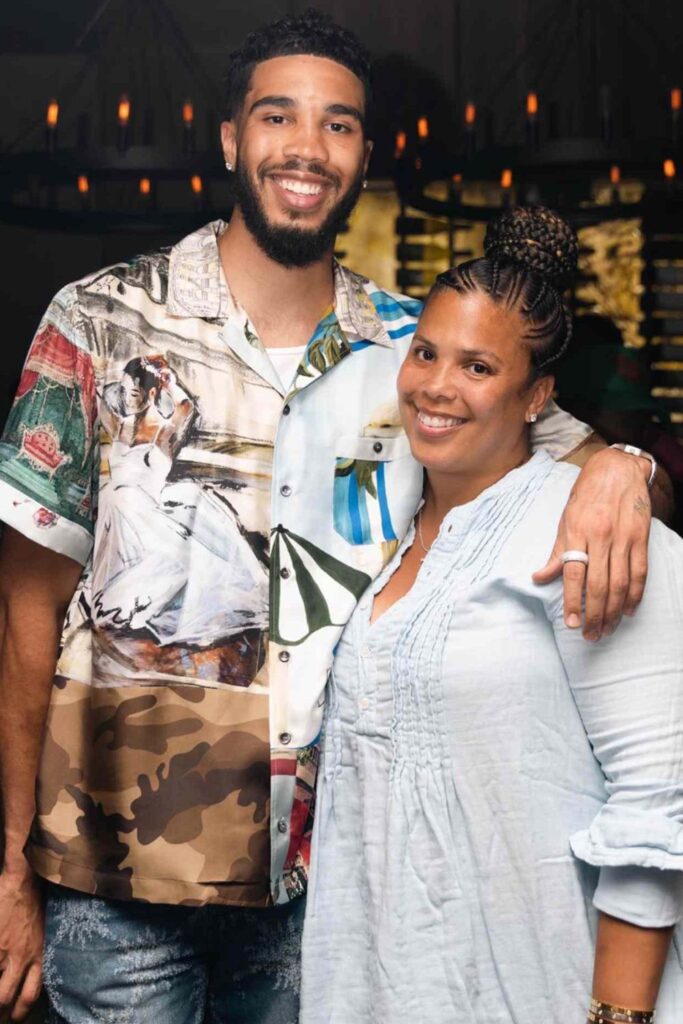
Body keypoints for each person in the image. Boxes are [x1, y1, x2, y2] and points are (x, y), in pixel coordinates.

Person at [0, 10, 670, 1023]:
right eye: (278, 117)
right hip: (116, 883)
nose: (305, 148)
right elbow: (22, 613)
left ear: (363, 155)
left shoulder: (411, 349)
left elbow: (557, 440)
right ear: (232, 139)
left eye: (338, 125)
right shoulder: (97, 321)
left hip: (325, 888)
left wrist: (627, 465)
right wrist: (8, 874)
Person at [300, 207, 683, 1023]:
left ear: (537, 393)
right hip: (383, 986)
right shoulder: (384, 527)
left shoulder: (591, 535)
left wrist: (617, 1020)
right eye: (426, 353)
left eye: (477, 366)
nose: (436, 385)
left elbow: (659, 804)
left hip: (541, 987)